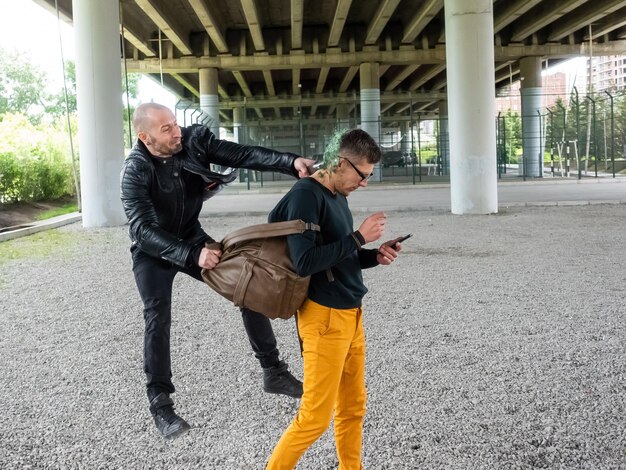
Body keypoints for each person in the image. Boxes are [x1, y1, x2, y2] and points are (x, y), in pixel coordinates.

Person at [120, 103, 314, 439]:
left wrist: (289, 162)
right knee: (157, 316)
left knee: (247, 282)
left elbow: (241, 154)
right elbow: (141, 230)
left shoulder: (194, 141)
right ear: (145, 137)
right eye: (165, 129)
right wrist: (191, 254)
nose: (176, 131)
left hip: (190, 235)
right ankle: (161, 403)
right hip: (154, 250)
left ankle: (273, 372)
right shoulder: (135, 170)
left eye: (175, 123)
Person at [265, 129, 403, 469]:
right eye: (363, 175)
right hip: (323, 318)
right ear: (341, 163)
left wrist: (374, 255)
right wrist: (358, 237)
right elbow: (305, 262)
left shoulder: (337, 195)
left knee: (354, 408)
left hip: (351, 314)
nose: (364, 184)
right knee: (314, 417)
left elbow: (338, 256)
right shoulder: (305, 196)